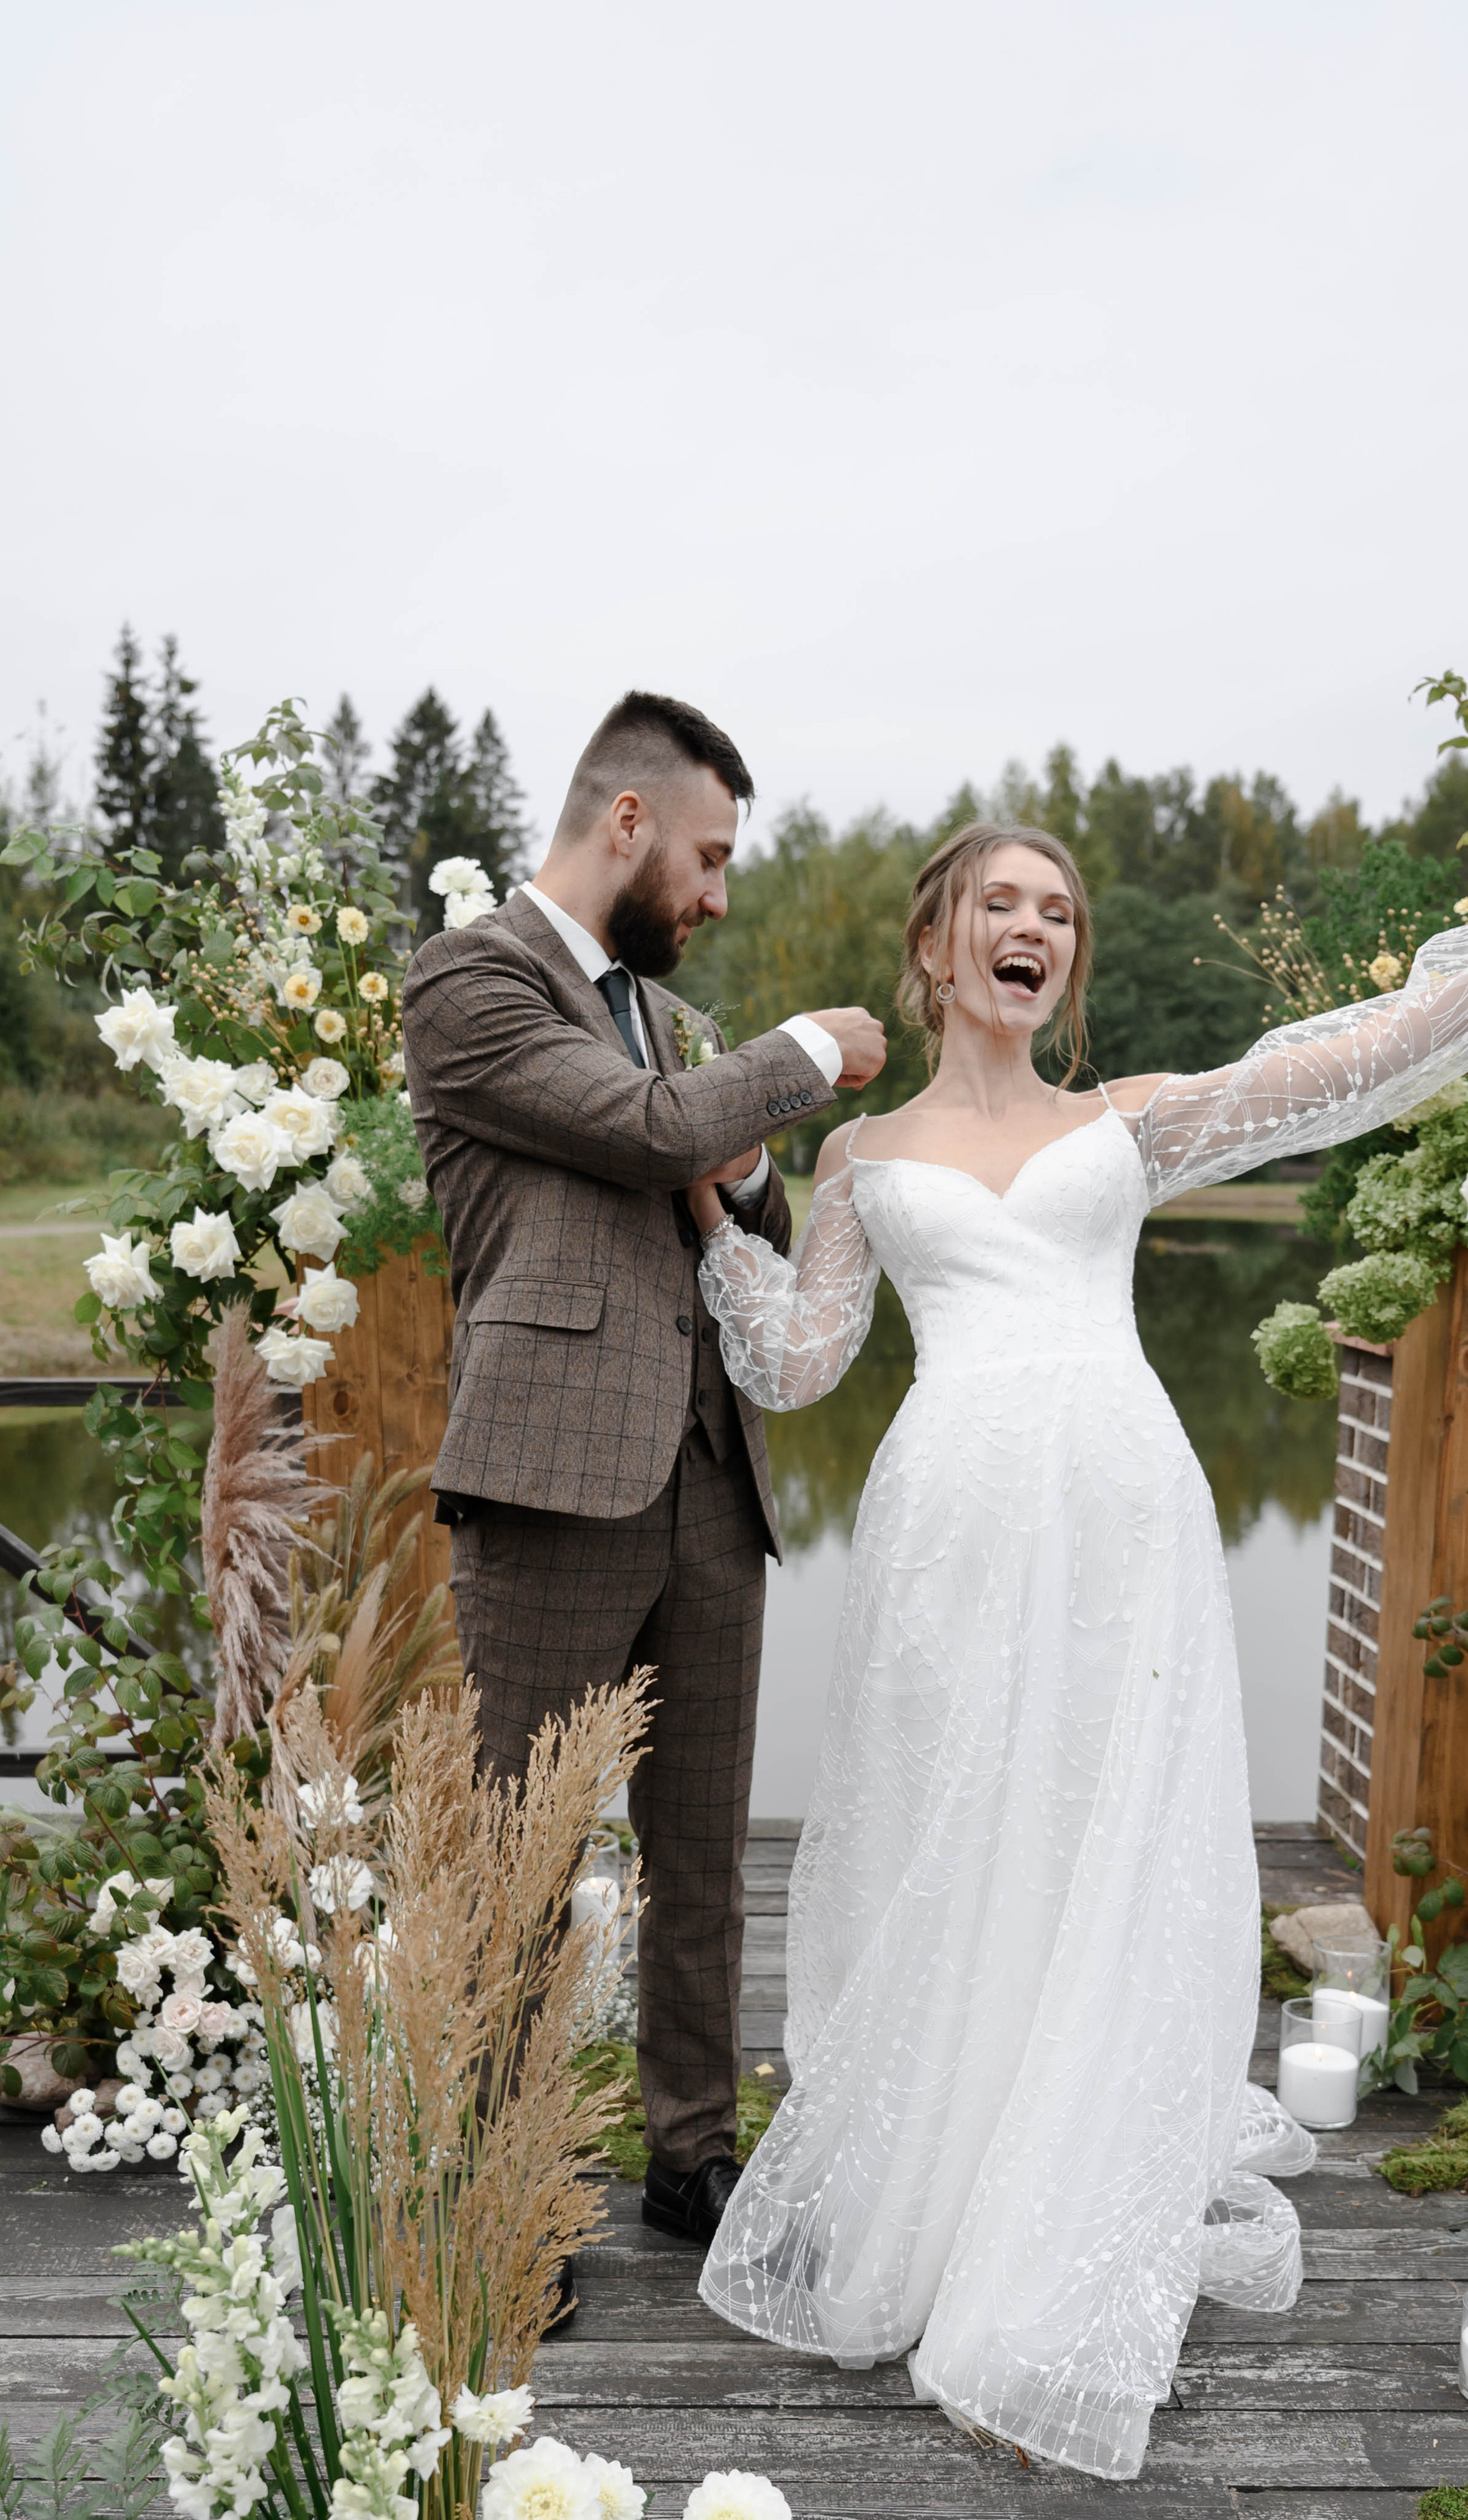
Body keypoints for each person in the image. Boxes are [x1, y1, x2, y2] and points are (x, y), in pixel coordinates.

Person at [686, 823, 1468, 2477]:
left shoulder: (1123, 1117)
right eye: (1000, 904)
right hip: (948, 1523)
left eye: (1057, 910)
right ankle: (946, 2180)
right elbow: (794, 1366)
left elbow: (1353, 1058)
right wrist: (709, 1204)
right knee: (963, 1835)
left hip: (1124, 1516)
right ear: (934, 946)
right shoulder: (860, 1156)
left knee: (1105, 1834)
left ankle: (1062, 2198)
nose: (1035, 928)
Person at [402, 691, 885, 2253]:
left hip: (709, 1486)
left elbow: (738, 1211)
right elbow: (647, 1129)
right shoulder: (471, 980)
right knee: (523, 1858)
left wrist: (749, 1173)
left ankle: (693, 2157)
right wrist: (807, 1054)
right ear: (628, 823)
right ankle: (504, 2195)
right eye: (709, 855)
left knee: (701, 1851)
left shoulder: (672, 1021)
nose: (719, 893)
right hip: (551, 1484)